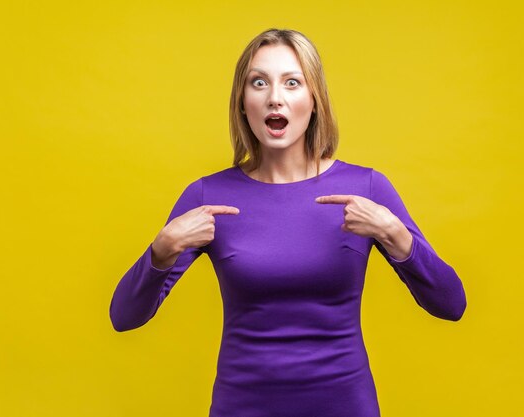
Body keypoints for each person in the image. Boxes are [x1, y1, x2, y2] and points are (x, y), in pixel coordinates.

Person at [109, 28, 467, 417]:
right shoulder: (207, 196)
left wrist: (397, 238)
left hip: (345, 406)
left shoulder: (366, 187)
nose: (274, 97)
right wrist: (159, 254)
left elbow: (451, 305)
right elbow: (124, 318)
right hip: (241, 406)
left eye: (292, 82)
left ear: (314, 101)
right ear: (243, 103)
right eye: (258, 83)